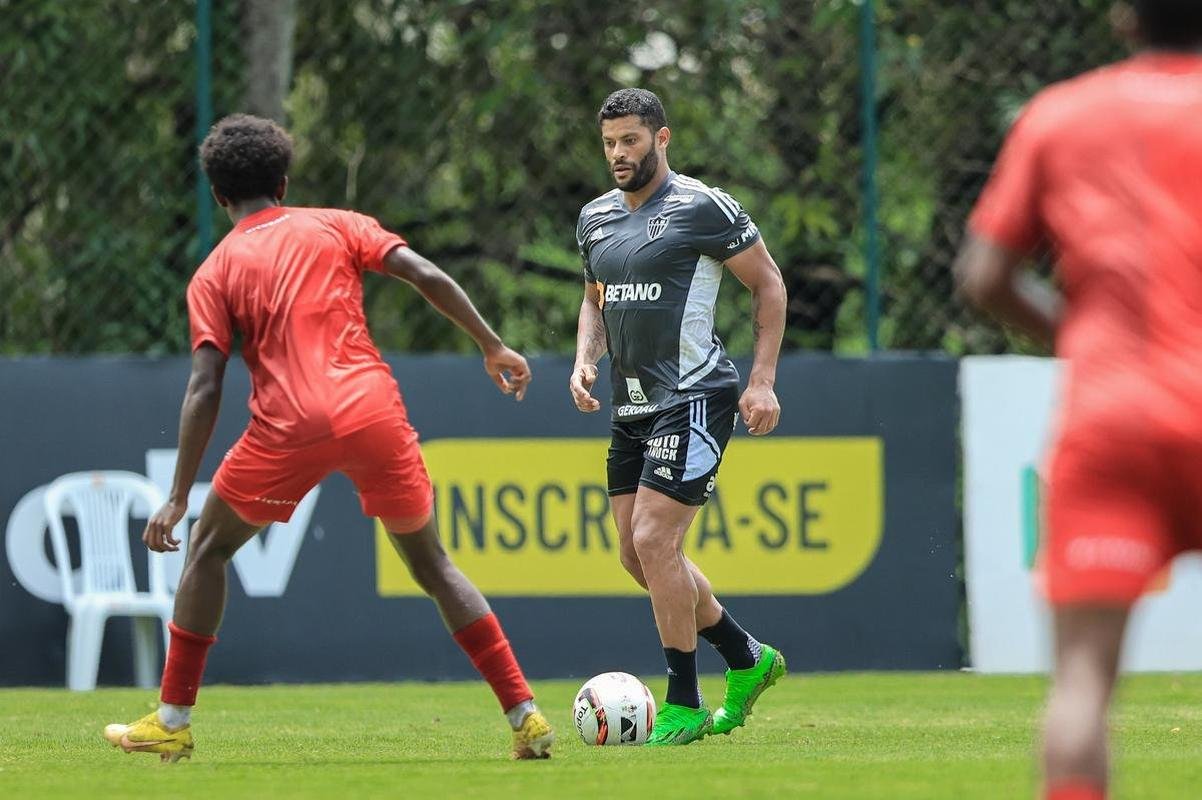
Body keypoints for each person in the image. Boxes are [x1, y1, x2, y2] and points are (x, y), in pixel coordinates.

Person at [103, 114, 554, 762]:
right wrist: (491, 344)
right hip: (374, 410)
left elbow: (205, 388)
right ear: (283, 181)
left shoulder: (213, 272)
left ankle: (172, 720)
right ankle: (526, 716)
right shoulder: (337, 223)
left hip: (289, 428)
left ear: (218, 195)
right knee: (434, 566)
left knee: (205, 551)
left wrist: (177, 496)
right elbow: (424, 273)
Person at [956, 2, 1202, 796]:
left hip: (1114, 418)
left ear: (1126, 18)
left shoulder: (1062, 115)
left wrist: (1085, 336)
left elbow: (984, 277)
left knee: (1084, 679)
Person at [569, 88, 788, 746]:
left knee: (657, 543)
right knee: (635, 556)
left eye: (630, 140)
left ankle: (684, 703)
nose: (618, 154)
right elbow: (595, 300)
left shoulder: (703, 207)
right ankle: (747, 657)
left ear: (661, 139)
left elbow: (769, 283)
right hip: (630, 405)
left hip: (695, 394)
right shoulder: (595, 219)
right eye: (609, 143)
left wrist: (764, 382)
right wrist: (584, 360)